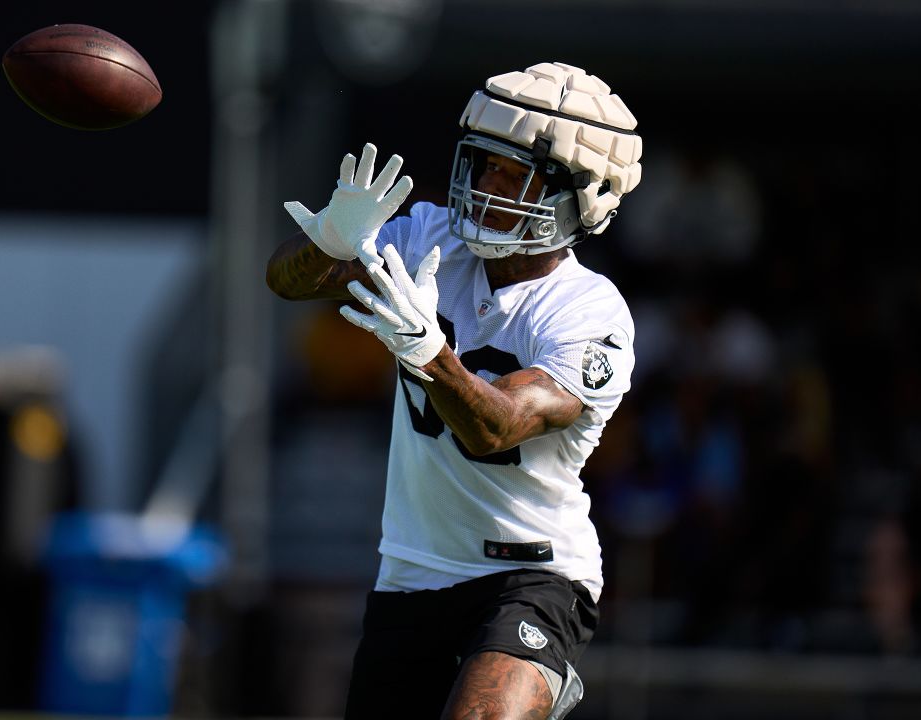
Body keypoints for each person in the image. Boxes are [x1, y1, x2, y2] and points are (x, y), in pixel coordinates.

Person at [265, 61, 643, 720]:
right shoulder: (430, 236)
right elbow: (286, 280)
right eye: (481, 166)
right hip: (413, 569)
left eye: (511, 174)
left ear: (576, 195)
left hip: (531, 572)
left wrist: (427, 353)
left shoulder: (590, 311)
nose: (485, 188)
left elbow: (494, 426)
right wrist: (328, 241)